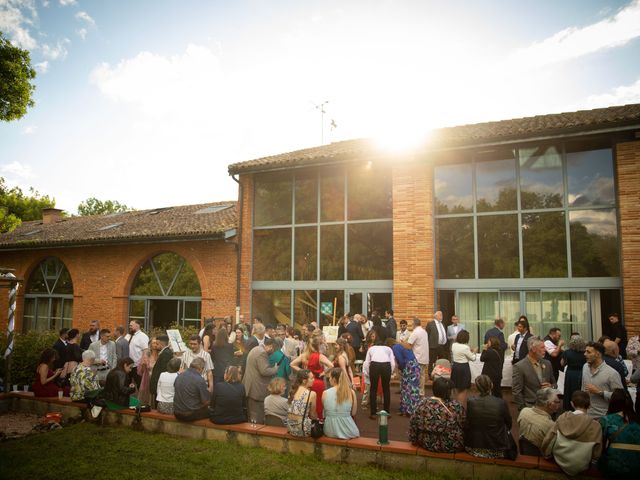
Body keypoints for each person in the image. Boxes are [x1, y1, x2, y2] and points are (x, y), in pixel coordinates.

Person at [540, 390, 603, 476]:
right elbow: (597, 454)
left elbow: (549, 439)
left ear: (572, 404)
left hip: (559, 460)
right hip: (582, 466)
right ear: (589, 405)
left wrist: (546, 455)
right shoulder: (596, 426)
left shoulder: (561, 418)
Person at [409, 377, 465, 453]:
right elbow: (464, 424)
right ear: (448, 392)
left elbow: (413, 423)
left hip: (425, 442)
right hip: (450, 444)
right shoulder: (455, 407)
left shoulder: (421, 404)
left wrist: (413, 440)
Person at [464, 375, 512, 459]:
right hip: (497, 449)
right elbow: (509, 424)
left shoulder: (471, 402)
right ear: (492, 385)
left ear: (477, 388)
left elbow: (468, 422)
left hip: (474, 448)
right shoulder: (501, 403)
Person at [598, 388, 640, 475]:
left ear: (612, 402)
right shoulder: (637, 420)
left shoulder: (606, 420)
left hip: (614, 465)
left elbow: (600, 446)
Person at [290, 336, 333, 419]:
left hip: (306, 382)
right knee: (318, 404)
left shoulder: (304, 355)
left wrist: (302, 372)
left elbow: (292, 364)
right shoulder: (320, 356)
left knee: (306, 402)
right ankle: (317, 423)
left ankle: (305, 420)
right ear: (318, 346)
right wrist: (324, 372)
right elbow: (331, 365)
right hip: (318, 382)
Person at [512, 337, 556, 411]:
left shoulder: (547, 363)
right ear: (533, 349)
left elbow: (555, 384)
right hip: (530, 407)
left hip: (548, 408)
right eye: (542, 347)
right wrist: (523, 409)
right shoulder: (519, 366)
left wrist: (551, 386)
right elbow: (516, 391)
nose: (545, 350)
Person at [582, 341, 623, 418]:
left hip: (604, 417)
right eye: (585, 351)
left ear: (598, 354)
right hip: (587, 415)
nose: (585, 354)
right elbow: (583, 388)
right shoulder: (585, 367)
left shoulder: (612, 373)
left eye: (588, 352)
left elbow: (620, 398)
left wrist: (599, 392)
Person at [243, 337, 279, 424]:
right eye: (273, 350)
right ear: (270, 346)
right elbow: (264, 371)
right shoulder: (262, 353)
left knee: (251, 414)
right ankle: (255, 435)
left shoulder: (256, 349)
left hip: (250, 387)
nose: (273, 353)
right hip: (256, 389)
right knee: (256, 416)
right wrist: (275, 369)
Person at [517, 387, 560, 454]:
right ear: (550, 404)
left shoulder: (523, 412)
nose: (559, 404)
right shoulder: (551, 425)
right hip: (541, 457)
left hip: (523, 451)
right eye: (557, 402)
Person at [363, 334, 396, 419]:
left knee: (373, 388)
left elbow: (367, 362)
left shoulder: (371, 348)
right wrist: (391, 372)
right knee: (386, 389)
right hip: (386, 365)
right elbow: (393, 363)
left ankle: (373, 413)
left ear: (375, 343)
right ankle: (387, 411)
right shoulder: (388, 349)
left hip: (375, 365)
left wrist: (367, 373)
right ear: (384, 344)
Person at [323, 368, 359, 439]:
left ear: (334, 379)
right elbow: (353, 413)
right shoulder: (351, 392)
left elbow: (325, 413)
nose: (329, 379)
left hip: (329, 430)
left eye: (330, 377)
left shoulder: (325, 393)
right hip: (348, 430)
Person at [173, 357, 210, 422]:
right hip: (189, 415)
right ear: (201, 368)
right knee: (212, 411)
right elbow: (205, 401)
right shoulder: (199, 380)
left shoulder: (179, 376)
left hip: (176, 413)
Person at [391, 338, 421, 416]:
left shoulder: (395, 348)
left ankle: (407, 410)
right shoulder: (403, 345)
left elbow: (400, 360)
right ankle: (411, 409)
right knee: (412, 389)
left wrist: (401, 369)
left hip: (409, 366)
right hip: (415, 365)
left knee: (406, 389)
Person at [401, 317, 429, 396]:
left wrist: (401, 343)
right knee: (422, 377)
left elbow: (409, 346)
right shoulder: (424, 331)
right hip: (424, 358)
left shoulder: (415, 332)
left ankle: (415, 395)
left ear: (414, 324)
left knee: (415, 377)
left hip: (417, 357)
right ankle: (421, 393)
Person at [287, 369, 317, 437]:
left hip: (290, 428)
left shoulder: (292, 391)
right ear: (304, 381)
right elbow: (313, 415)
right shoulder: (311, 394)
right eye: (311, 378)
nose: (313, 380)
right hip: (302, 430)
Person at [561, 334, 587, 411]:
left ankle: (568, 407)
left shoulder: (567, 352)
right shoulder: (585, 353)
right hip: (581, 373)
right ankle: (580, 406)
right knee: (580, 390)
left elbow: (562, 363)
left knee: (569, 390)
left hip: (570, 374)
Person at [450, 330, 476, 405]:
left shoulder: (454, 345)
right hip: (463, 368)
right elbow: (473, 358)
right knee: (463, 389)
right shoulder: (465, 347)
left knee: (456, 388)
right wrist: (474, 351)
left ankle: (456, 406)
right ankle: (461, 408)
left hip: (455, 367)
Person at [137, 337, 160, 405]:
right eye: (154, 343)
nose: (155, 344)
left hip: (157, 379)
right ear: (150, 345)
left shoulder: (161, 355)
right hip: (147, 379)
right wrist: (143, 365)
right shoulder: (146, 355)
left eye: (157, 343)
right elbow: (141, 371)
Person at [149, 335, 173, 400]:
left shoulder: (166, 354)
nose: (156, 346)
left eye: (157, 343)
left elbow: (162, 371)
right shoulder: (165, 352)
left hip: (160, 387)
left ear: (160, 343)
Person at [128, 319, 149, 387]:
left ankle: (140, 398)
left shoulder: (143, 336)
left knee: (140, 386)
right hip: (129, 366)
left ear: (137, 326)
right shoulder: (130, 335)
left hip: (137, 367)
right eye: (129, 325)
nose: (129, 327)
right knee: (128, 386)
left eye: (131, 325)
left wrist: (142, 365)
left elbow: (145, 351)